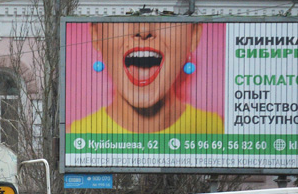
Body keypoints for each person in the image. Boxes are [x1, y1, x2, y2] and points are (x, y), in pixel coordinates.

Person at [70, 21, 223, 135]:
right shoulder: (75, 136)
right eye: (123, 13)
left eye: (165, 14)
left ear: (194, 35)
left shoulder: (218, 132)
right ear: (96, 35)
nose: (143, 30)